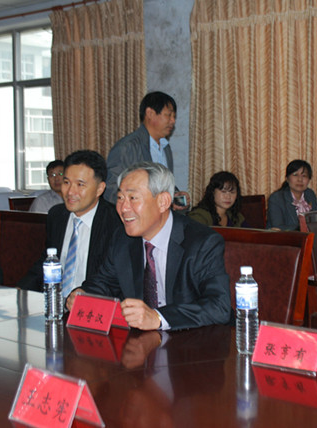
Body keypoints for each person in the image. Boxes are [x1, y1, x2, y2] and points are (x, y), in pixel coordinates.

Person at [66, 162, 231, 331]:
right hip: (139, 340)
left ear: (163, 202)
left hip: (189, 339)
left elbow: (219, 306)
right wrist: (84, 293)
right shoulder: (122, 238)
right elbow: (104, 282)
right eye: (120, 198)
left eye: (133, 198)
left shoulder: (202, 242)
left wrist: (158, 317)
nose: (123, 208)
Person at [18, 150, 122, 296]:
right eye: (66, 182)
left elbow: (113, 278)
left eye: (80, 184)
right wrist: (21, 289)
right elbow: (47, 261)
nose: (70, 192)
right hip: (55, 301)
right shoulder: (57, 215)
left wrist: (85, 293)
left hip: (91, 302)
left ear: (99, 189)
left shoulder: (115, 222)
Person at [104, 91, 190, 209]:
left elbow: (160, 185)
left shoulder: (165, 147)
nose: (173, 121)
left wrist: (174, 195)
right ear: (150, 113)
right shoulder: (127, 147)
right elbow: (111, 190)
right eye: (169, 115)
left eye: (174, 116)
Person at [266, 159, 317, 230]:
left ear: (309, 179)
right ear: (287, 178)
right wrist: (304, 228)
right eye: (295, 175)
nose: (300, 179)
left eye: (304, 176)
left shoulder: (310, 194)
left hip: (309, 236)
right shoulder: (276, 198)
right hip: (284, 236)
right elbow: (278, 227)